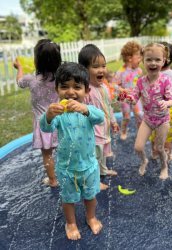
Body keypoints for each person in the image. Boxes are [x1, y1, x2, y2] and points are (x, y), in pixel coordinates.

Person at [39, 62, 104, 239]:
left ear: (87, 91)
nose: (71, 92)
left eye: (77, 87)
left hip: (89, 166)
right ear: (57, 89)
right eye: (65, 87)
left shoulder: (88, 112)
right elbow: (45, 128)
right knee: (68, 198)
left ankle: (91, 217)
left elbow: (101, 118)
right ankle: (71, 222)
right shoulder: (59, 114)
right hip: (67, 169)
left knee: (90, 196)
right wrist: (48, 115)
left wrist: (85, 109)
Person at [13, 39, 61, 187]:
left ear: (37, 62)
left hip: (43, 125)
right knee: (64, 151)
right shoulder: (60, 79)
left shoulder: (31, 80)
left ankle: (52, 180)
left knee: (47, 155)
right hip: (59, 123)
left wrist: (19, 67)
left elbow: (19, 81)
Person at [125, 43, 172, 179]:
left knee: (159, 149)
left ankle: (164, 167)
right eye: (149, 59)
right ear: (143, 61)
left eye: (157, 60)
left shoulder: (165, 81)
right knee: (138, 147)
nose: (153, 63)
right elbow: (135, 97)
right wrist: (131, 99)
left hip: (162, 121)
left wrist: (167, 102)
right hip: (147, 120)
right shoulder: (141, 82)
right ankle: (143, 161)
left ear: (163, 61)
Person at [78, 44, 120, 190]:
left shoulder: (104, 88)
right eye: (96, 67)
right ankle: (94, 181)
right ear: (84, 70)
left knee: (103, 153)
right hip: (93, 133)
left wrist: (113, 122)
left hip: (104, 130)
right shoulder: (86, 92)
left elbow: (108, 107)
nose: (102, 70)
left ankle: (103, 170)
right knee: (94, 157)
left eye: (103, 65)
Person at [112, 41, 144, 140]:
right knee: (126, 117)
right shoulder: (121, 71)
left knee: (139, 114)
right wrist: (121, 89)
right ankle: (124, 131)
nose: (141, 59)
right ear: (130, 58)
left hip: (136, 98)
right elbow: (114, 84)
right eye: (138, 57)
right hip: (124, 98)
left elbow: (142, 83)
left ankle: (140, 132)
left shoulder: (139, 71)